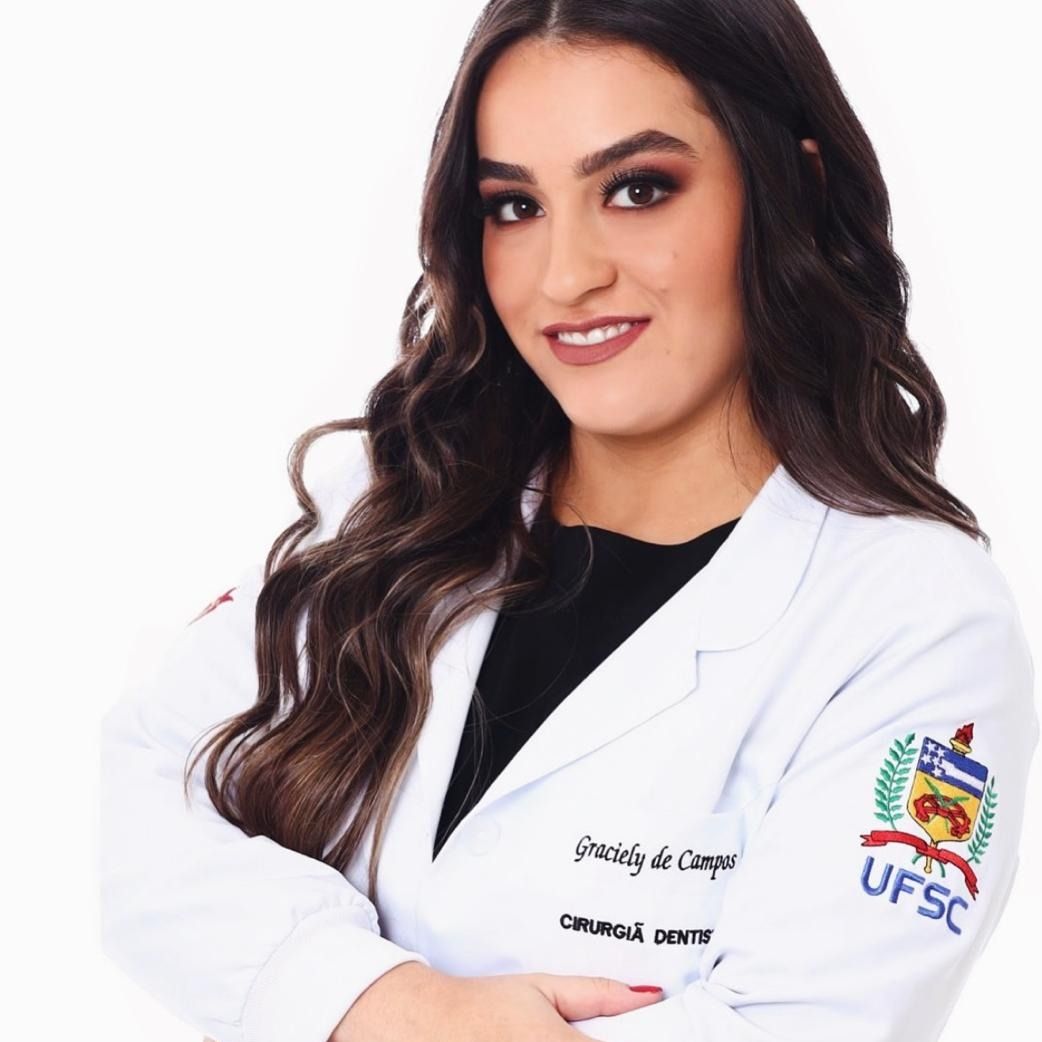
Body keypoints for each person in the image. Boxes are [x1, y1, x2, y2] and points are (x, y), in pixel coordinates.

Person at [99, 2, 1038, 1041]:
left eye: (638, 189)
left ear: (793, 190)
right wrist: (386, 1003)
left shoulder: (911, 621)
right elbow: (145, 797)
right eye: (514, 206)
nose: (566, 276)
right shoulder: (393, 510)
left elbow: (801, 1025)